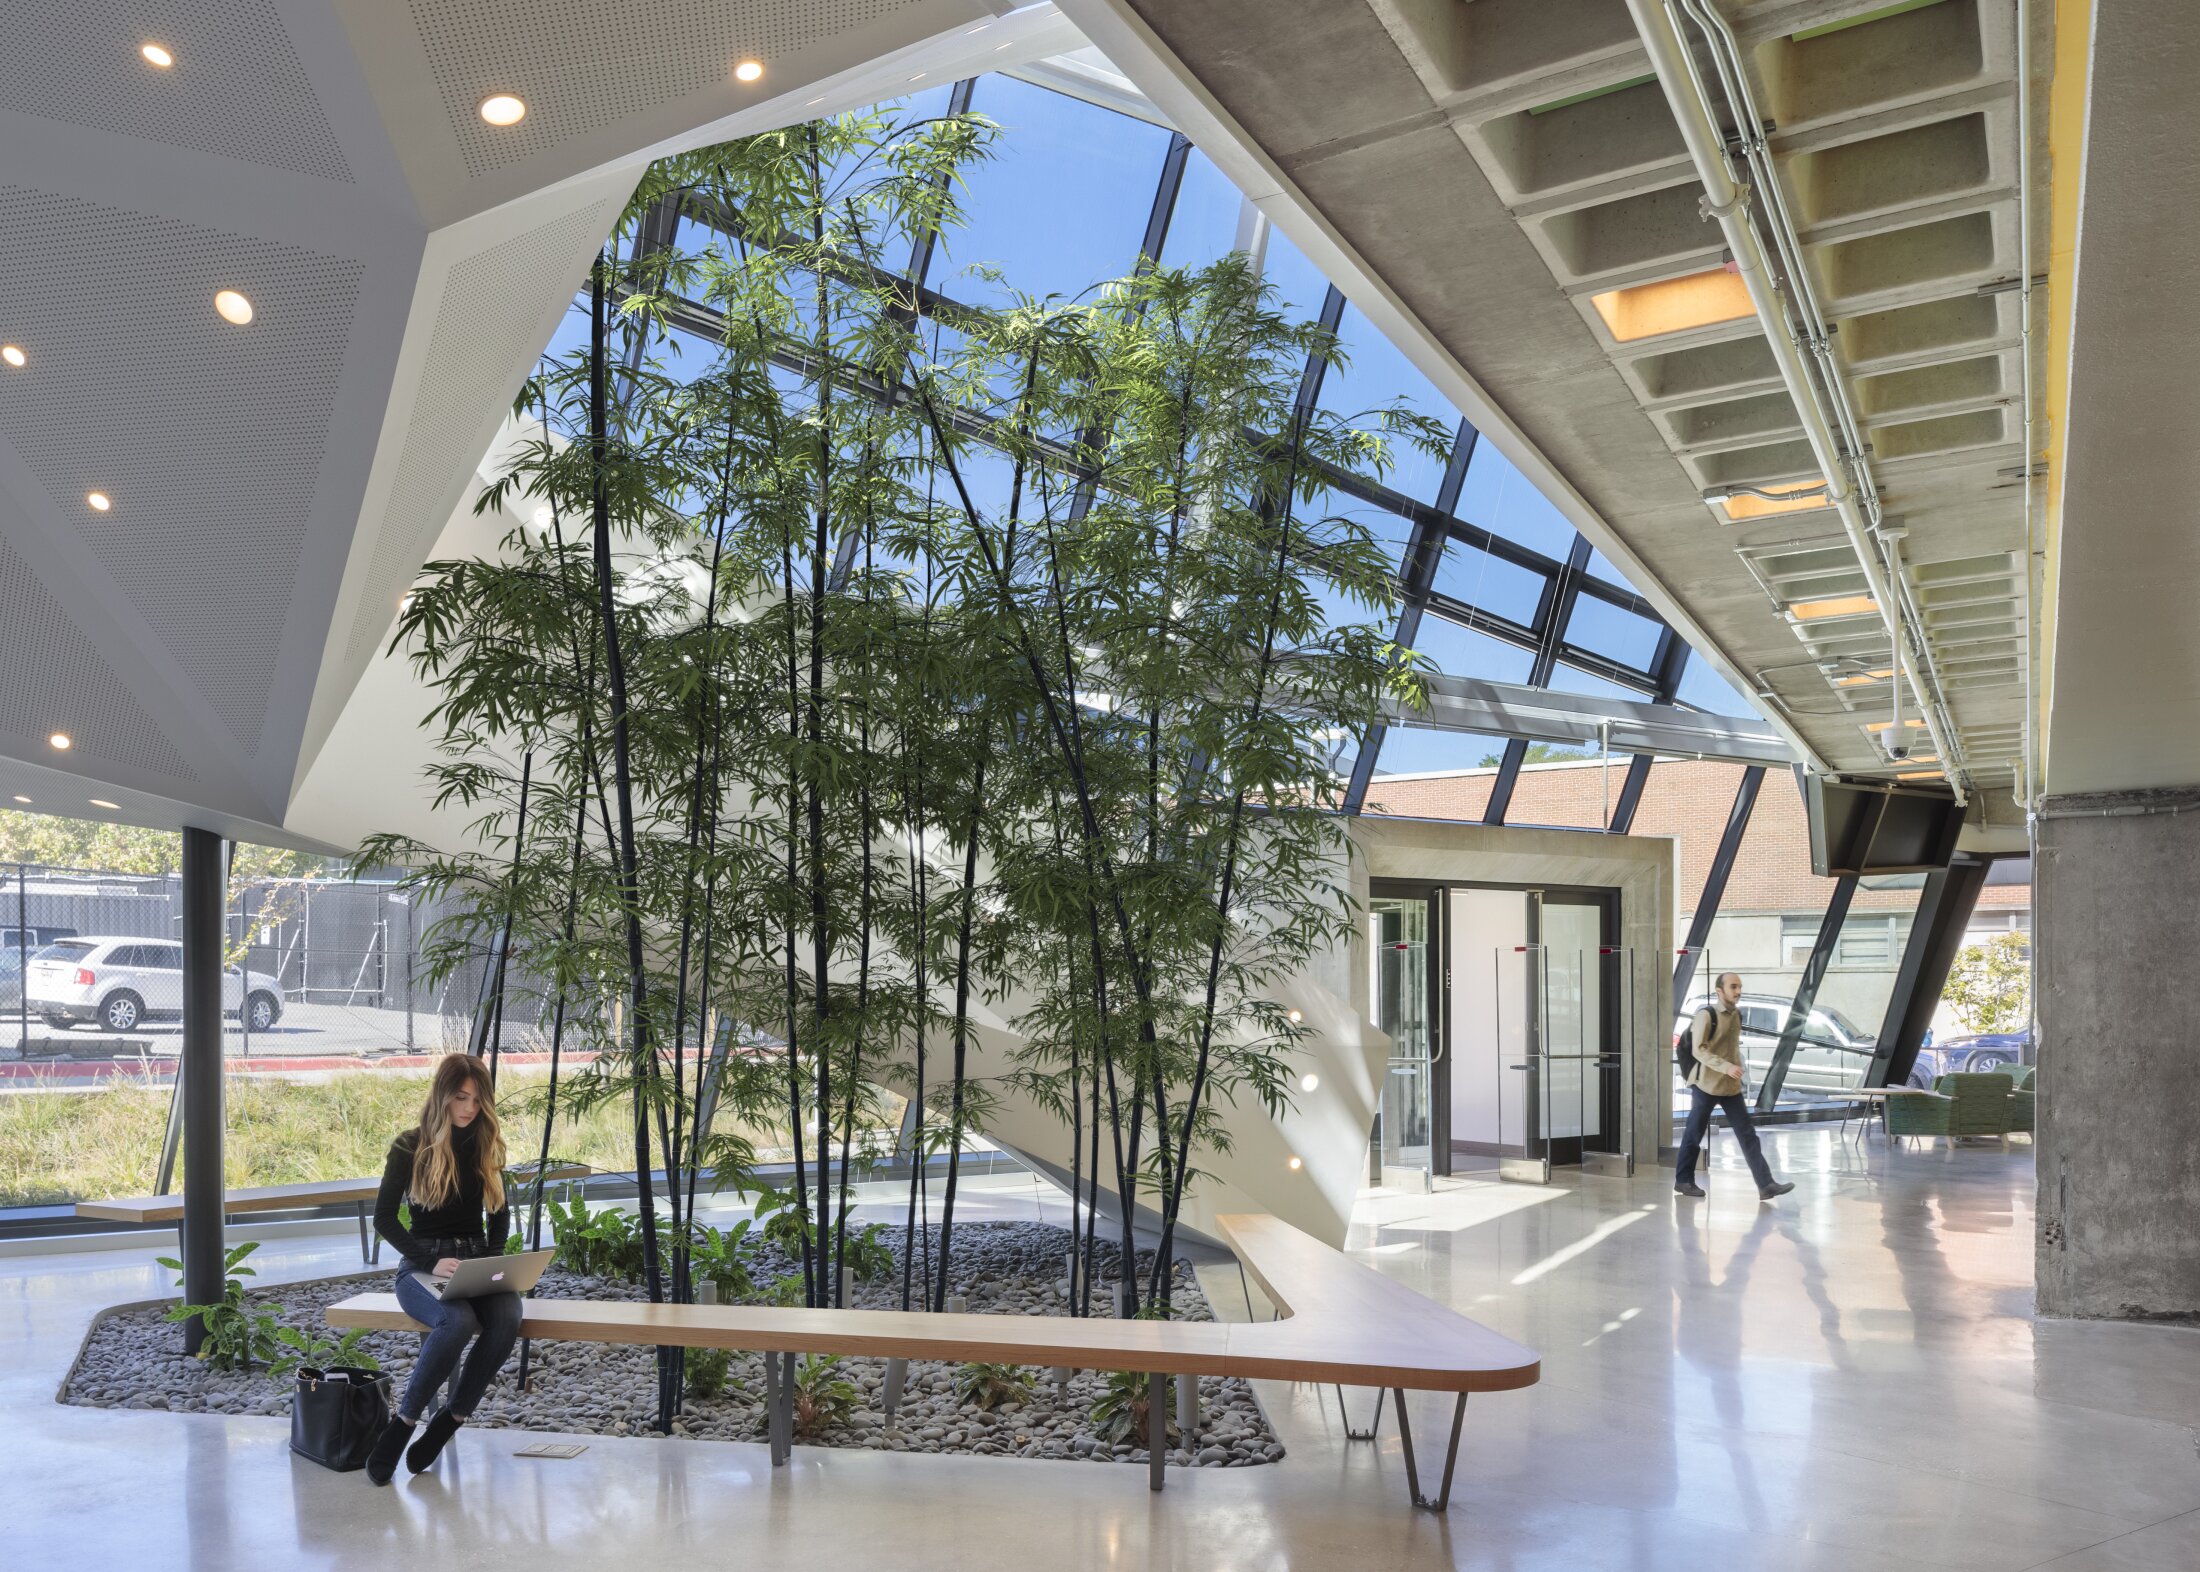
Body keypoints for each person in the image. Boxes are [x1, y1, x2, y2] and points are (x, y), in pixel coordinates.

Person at [363, 1054, 522, 1485]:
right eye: (460, 1097)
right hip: (421, 1268)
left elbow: (500, 1212)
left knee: (508, 1315)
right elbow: (384, 1219)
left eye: (477, 1098)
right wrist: (431, 1260)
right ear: (443, 1096)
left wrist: (492, 1257)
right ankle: (403, 1425)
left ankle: (448, 1422)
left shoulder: (483, 1143)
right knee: (456, 1321)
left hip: (473, 1264)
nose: (470, 1108)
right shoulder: (409, 1146)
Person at [1674, 971, 1795, 1202]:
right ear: (1720, 991)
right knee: (1693, 1133)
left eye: (1739, 986)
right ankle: (1683, 1180)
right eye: (1733, 987)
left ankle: (1766, 1185)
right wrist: (1726, 1067)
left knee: (1748, 1135)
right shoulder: (1706, 1015)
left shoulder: (1736, 1015)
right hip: (1706, 1084)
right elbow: (1698, 1050)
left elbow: (1732, 1049)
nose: (1738, 991)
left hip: (1730, 1087)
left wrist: (1737, 1069)